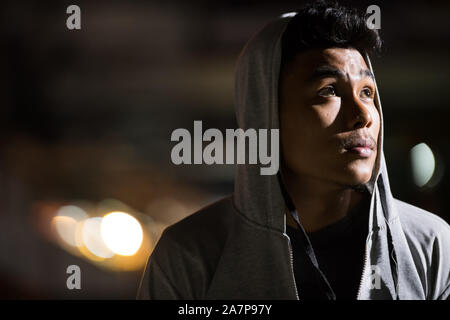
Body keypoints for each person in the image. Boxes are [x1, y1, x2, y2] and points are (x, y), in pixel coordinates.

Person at [137, 1, 450, 300]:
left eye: (367, 92)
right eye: (328, 90)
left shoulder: (430, 245)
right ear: (266, 114)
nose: (364, 115)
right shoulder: (190, 256)